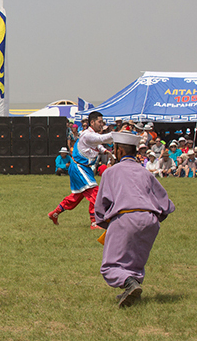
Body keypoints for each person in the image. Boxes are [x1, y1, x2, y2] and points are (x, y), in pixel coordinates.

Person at [94, 131, 175, 307]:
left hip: (125, 217)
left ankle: (130, 284)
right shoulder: (145, 172)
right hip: (150, 218)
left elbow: (100, 206)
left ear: (120, 151)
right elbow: (166, 204)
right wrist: (153, 218)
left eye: (114, 149)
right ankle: (132, 289)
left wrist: (105, 223)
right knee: (135, 259)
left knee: (111, 265)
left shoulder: (110, 173)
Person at [48, 111, 114, 229]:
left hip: (82, 167)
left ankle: (55, 213)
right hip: (79, 167)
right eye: (99, 122)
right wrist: (119, 135)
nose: (101, 124)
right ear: (92, 122)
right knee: (95, 193)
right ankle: (95, 222)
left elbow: (97, 143)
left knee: (76, 197)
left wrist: (105, 151)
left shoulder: (90, 135)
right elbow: (102, 138)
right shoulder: (87, 135)